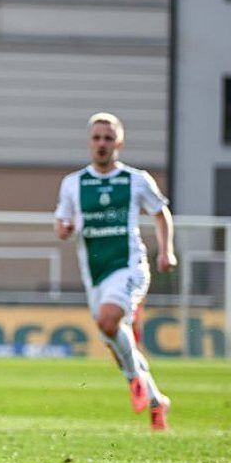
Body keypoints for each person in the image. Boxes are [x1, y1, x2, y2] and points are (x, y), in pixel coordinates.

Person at [54, 112, 177, 431]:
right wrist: (64, 228)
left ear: (119, 142)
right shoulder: (73, 183)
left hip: (130, 266)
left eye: (108, 138)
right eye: (97, 138)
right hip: (94, 273)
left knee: (109, 321)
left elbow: (161, 214)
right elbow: (61, 222)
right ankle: (154, 399)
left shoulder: (136, 179)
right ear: (89, 142)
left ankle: (136, 379)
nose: (102, 144)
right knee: (112, 337)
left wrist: (166, 251)